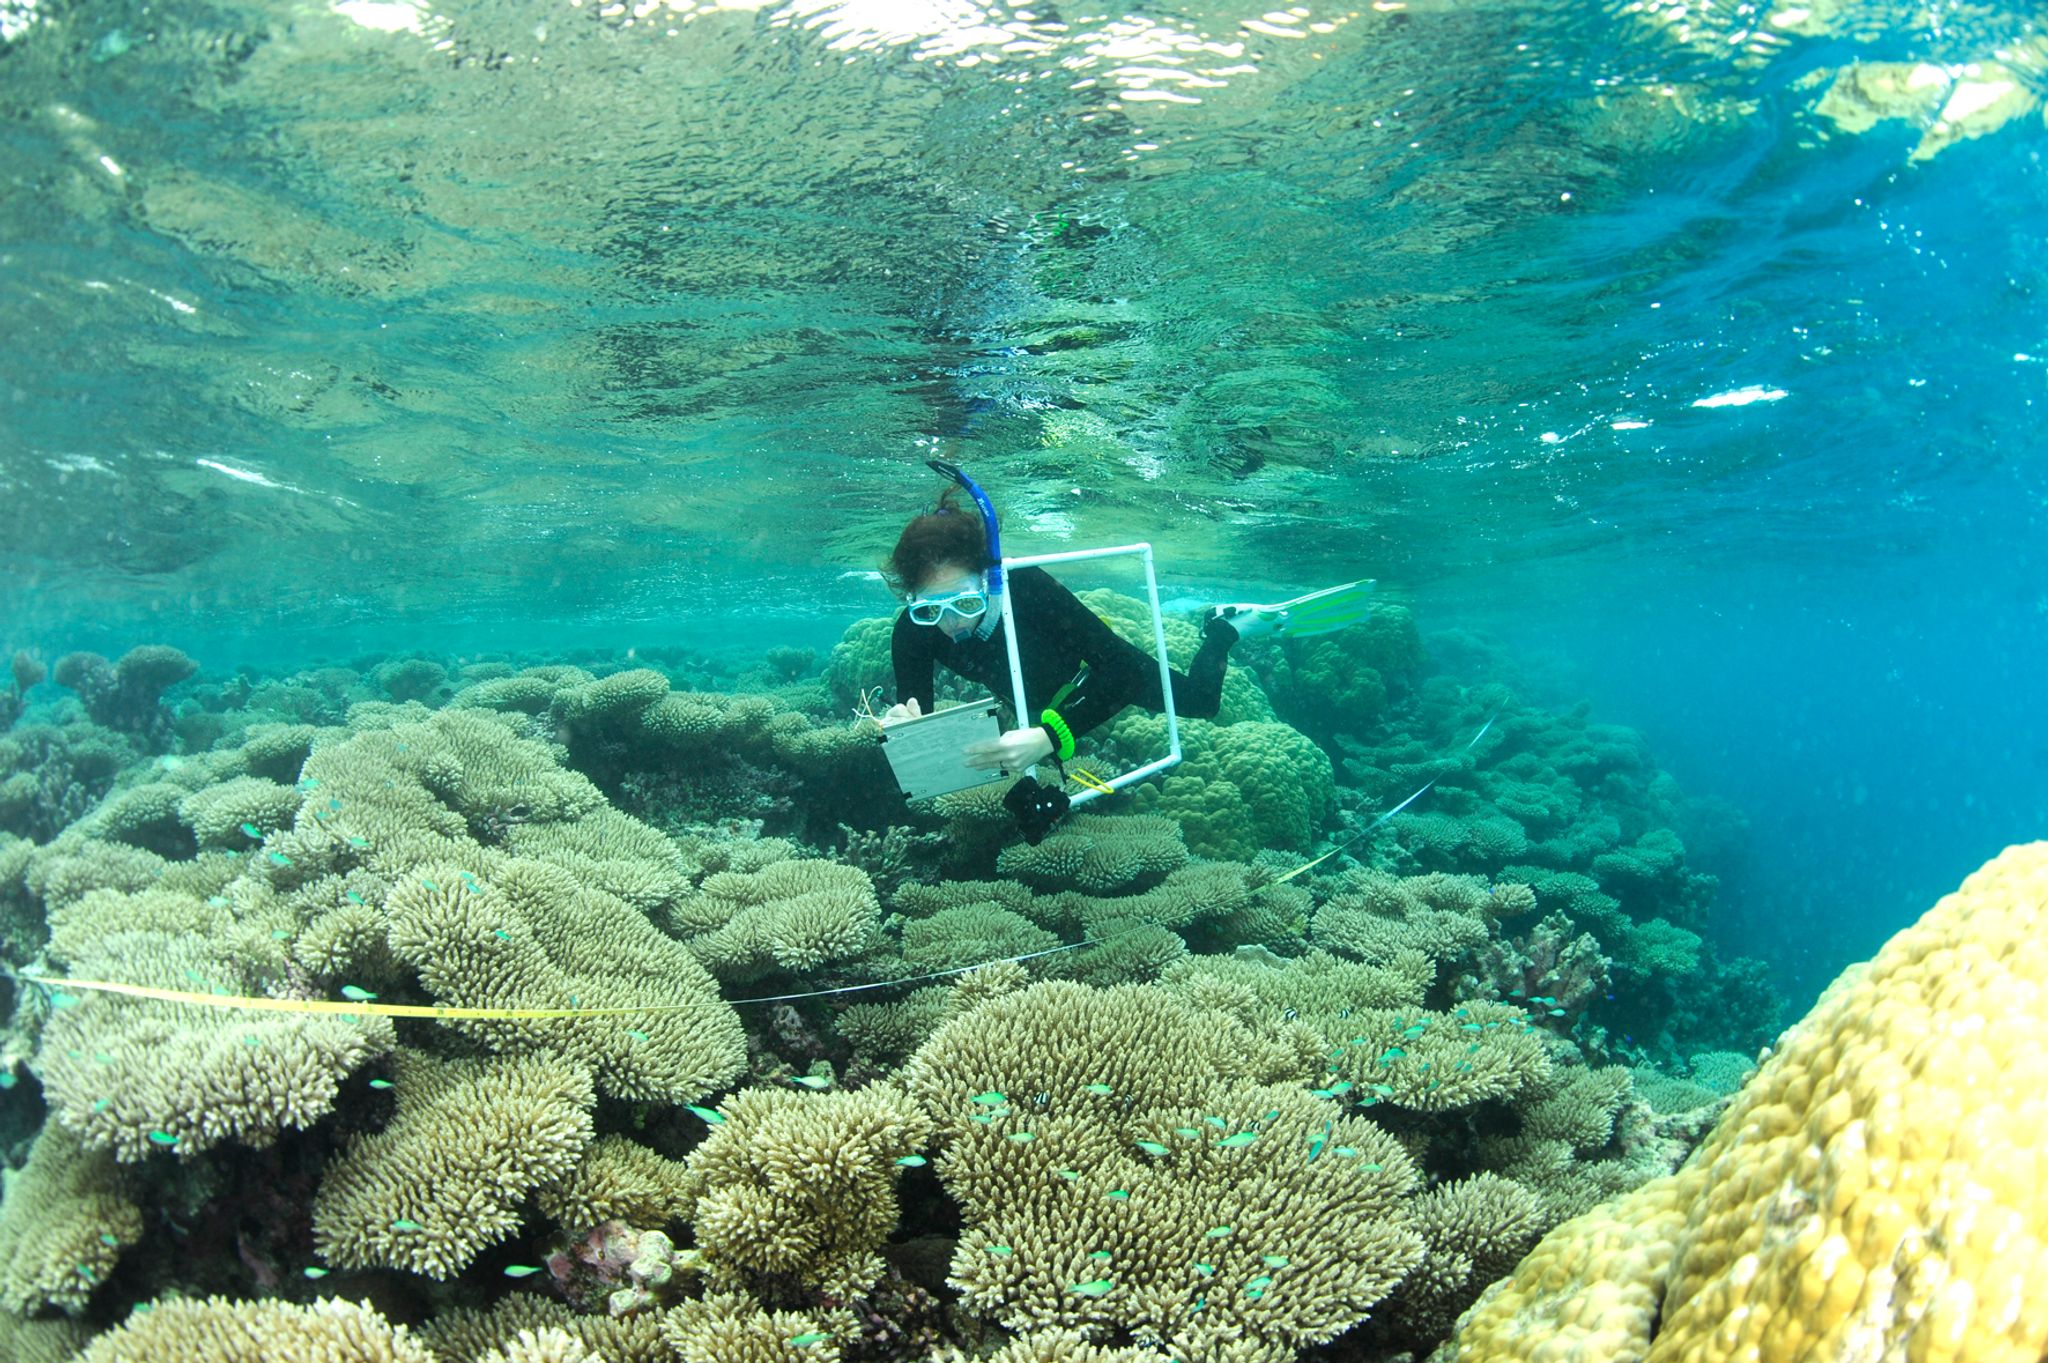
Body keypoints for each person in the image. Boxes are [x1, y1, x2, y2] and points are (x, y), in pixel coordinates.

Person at [877, 465, 1288, 777]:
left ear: (989, 583)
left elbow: (1123, 671)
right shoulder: (915, 631)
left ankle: (1222, 629)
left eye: (966, 602)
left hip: (1093, 675)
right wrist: (906, 729)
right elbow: (918, 717)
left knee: (1202, 702)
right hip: (1037, 700)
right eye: (930, 609)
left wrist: (1049, 737)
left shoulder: (1027, 588)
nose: (951, 623)